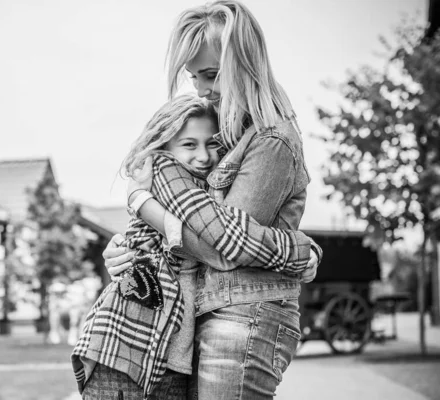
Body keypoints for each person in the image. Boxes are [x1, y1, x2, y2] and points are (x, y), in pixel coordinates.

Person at [102, 1, 320, 399]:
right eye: (193, 76)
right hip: (213, 313)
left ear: (245, 64)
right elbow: (199, 222)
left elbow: (223, 247)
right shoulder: (224, 136)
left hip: (246, 316)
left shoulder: (271, 140)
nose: (201, 89)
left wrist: (142, 203)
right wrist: (127, 247)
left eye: (212, 74)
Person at [73, 95, 319, 400]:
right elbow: (224, 242)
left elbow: (228, 224)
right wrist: (299, 251)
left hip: (159, 351)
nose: (203, 156)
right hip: (134, 347)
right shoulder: (164, 169)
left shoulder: (201, 184)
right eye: (189, 145)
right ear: (164, 144)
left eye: (211, 144)